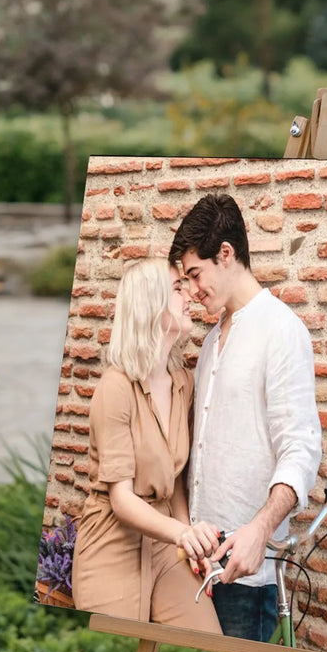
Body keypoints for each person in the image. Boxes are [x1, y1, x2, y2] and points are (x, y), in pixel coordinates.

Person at [170, 194, 322, 642]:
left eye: (195, 274)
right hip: (195, 567)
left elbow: (301, 449)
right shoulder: (213, 340)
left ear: (227, 254)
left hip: (246, 579)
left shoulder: (282, 329)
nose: (193, 290)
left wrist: (260, 529)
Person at [70, 258, 223, 633]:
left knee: (209, 649)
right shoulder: (116, 387)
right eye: (176, 288)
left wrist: (191, 546)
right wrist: (182, 534)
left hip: (167, 544)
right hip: (112, 543)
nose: (189, 295)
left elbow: (179, 478)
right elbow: (121, 500)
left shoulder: (182, 382)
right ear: (150, 306)